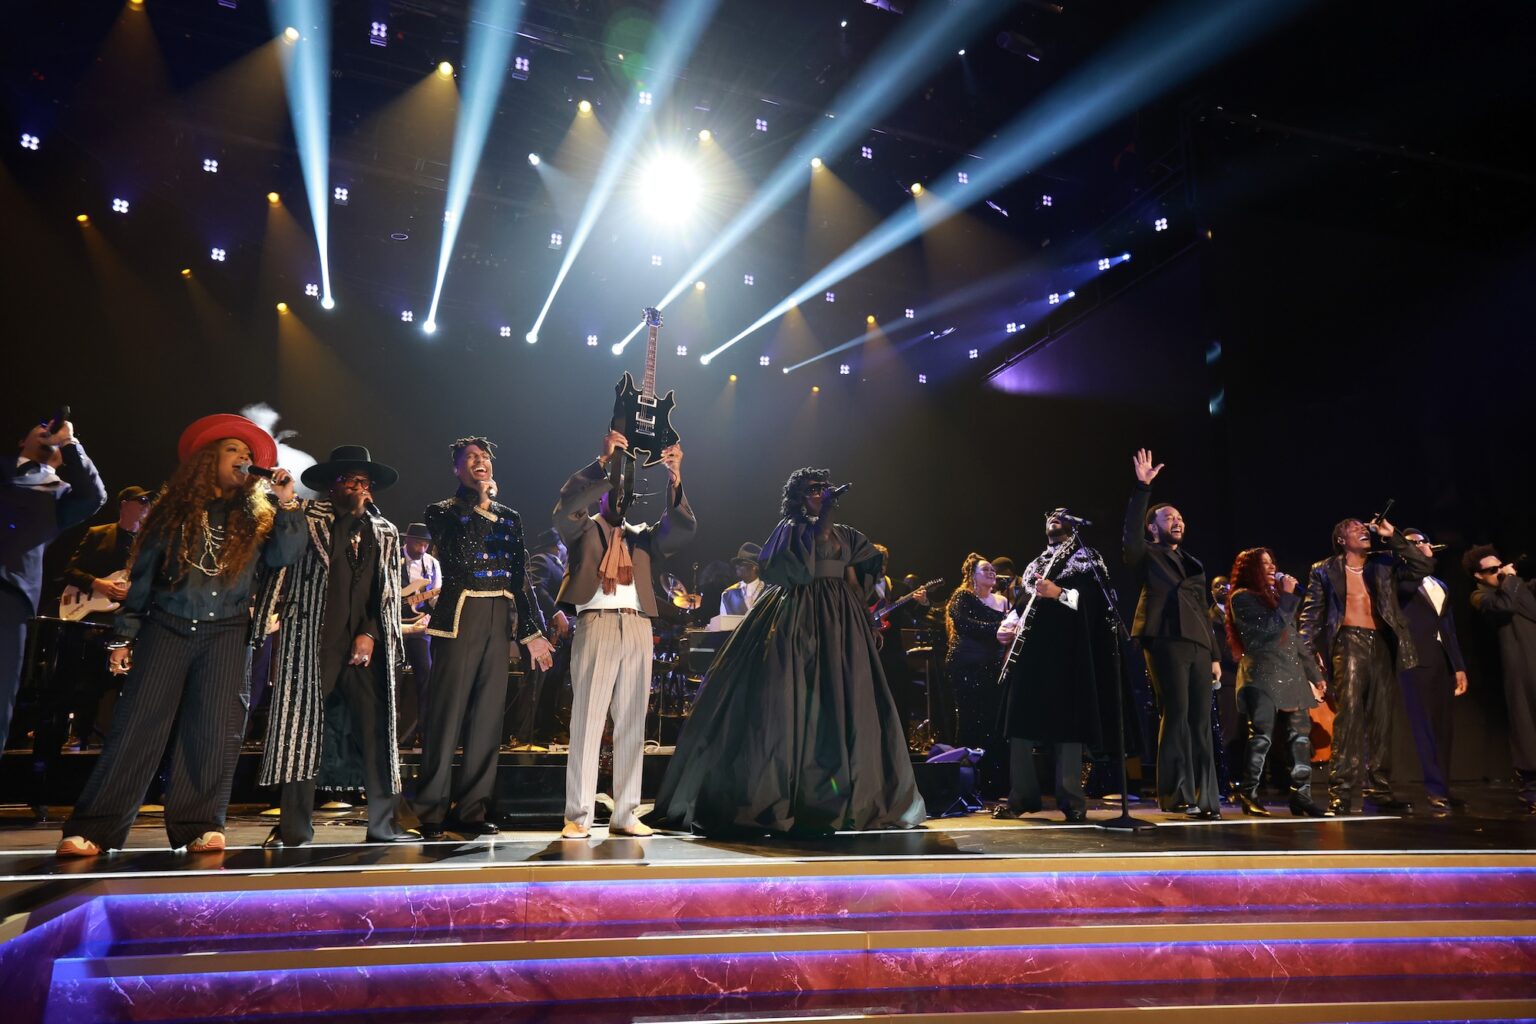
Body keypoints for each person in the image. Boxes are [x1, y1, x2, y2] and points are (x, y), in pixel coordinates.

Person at [57, 414, 305, 856]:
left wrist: (287, 502)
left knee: (213, 731)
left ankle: (199, 825)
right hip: (167, 626)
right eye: (233, 450)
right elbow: (143, 577)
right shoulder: (172, 511)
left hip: (227, 631)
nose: (243, 458)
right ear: (208, 460)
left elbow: (286, 555)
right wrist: (124, 637)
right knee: (137, 727)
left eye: (248, 454)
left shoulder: (259, 517)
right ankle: (96, 828)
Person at [647, 467, 925, 836]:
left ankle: (847, 797)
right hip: (800, 615)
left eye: (824, 487)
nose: (821, 493)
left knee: (845, 697)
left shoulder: (845, 534)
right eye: (813, 489)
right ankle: (790, 795)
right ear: (798, 497)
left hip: (840, 619)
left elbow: (855, 575)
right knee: (791, 697)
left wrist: (864, 618)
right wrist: (825, 513)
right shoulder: (792, 528)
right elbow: (799, 564)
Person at [255, 445, 419, 846]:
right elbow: (279, 560)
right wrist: (286, 503)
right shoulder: (306, 519)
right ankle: (294, 829)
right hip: (313, 641)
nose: (359, 487)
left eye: (364, 481)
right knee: (301, 731)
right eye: (349, 480)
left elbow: (385, 594)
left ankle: (383, 825)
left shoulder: (384, 531)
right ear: (332, 486)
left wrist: (371, 634)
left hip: (366, 649)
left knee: (377, 732)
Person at [412, 436, 553, 839]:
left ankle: (472, 810)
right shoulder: (442, 511)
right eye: (470, 457)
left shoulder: (510, 518)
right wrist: (481, 502)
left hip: (498, 618)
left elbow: (519, 577)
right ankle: (431, 809)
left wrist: (531, 632)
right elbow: (460, 554)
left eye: (484, 456)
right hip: (460, 616)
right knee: (447, 713)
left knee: (488, 718)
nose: (480, 461)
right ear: (457, 469)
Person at [553, 431, 693, 839]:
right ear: (600, 495)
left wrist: (675, 478)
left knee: (633, 720)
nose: (619, 498)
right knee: (588, 720)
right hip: (596, 622)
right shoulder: (583, 529)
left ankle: (626, 813)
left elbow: (681, 531)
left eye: (625, 493)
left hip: (637, 625)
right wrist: (602, 463)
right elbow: (566, 507)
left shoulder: (641, 536)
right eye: (612, 491)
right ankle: (578, 815)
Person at [1299, 515, 1428, 815]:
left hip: (1382, 642)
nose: (1363, 530)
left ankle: (1379, 789)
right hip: (1348, 642)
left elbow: (1423, 566)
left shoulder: (1383, 562)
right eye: (1354, 528)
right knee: (1349, 718)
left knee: (1381, 719)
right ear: (1341, 539)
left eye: (1364, 527)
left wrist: (1393, 536)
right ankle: (1341, 791)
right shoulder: (1324, 569)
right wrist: (1306, 660)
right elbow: (1311, 617)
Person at [1122, 448, 1223, 818]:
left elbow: (1204, 610)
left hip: (1198, 643)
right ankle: (1176, 793)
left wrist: (1215, 655)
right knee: (1176, 712)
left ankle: (1206, 797)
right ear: (1153, 527)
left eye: (1179, 517)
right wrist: (1142, 489)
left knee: (1201, 720)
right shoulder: (1146, 552)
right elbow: (1130, 538)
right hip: (1165, 638)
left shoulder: (1193, 563)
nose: (1177, 521)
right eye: (1168, 518)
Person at [2, 415, 107, 750]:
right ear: (22, 441)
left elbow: (94, 495)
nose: (48, 429)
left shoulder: (60, 494)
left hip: (10, 597)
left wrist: (69, 442)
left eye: (53, 429)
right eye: (41, 426)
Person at [994, 512, 1105, 823]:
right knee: (1019, 722)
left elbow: (1095, 604)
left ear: (1072, 524)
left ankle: (1071, 800)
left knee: (1067, 726)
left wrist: (1059, 593)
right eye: (1050, 516)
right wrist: (1007, 624)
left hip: (1067, 651)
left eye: (1061, 515)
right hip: (1030, 653)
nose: (1054, 517)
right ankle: (1021, 798)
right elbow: (1023, 604)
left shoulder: (1086, 558)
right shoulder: (1035, 564)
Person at [1226, 548, 1327, 817]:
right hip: (1261, 676)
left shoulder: (1278, 599)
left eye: (1273, 563)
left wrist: (1315, 675)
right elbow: (1269, 630)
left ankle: (1302, 796)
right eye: (1264, 564)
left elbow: (1294, 640)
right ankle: (1249, 793)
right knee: (1261, 737)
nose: (1272, 568)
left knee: (1300, 738)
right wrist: (1287, 597)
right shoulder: (1241, 598)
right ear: (1250, 570)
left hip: (1291, 675)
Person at [1397, 529, 1469, 813]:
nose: (1422, 545)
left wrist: (1458, 666)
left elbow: (1448, 627)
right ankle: (1434, 789)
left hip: (1441, 659)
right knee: (1424, 726)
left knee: (1443, 726)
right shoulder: (1401, 578)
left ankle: (1444, 787)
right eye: (1414, 543)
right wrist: (1416, 559)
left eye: (1423, 541)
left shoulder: (1439, 584)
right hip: (1416, 658)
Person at [1465, 546, 1536, 813]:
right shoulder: (1479, 596)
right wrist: (1511, 579)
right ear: (1479, 575)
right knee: (1525, 726)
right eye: (1493, 570)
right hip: (1517, 669)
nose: (1500, 572)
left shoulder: (1520, 587)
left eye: (1501, 567)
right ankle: (1531, 788)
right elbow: (1504, 607)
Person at [508, 527, 572, 751]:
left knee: (549, 685)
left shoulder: (559, 565)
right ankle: (522, 734)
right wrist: (556, 612)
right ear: (557, 546)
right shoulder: (542, 560)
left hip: (554, 635)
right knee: (535, 682)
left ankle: (542, 731)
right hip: (538, 631)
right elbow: (534, 588)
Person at [943, 553, 1010, 752]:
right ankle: (968, 763)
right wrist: (998, 628)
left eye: (993, 570)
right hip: (967, 665)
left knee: (992, 719)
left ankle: (991, 765)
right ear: (973, 575)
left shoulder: (1003, 601)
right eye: (985, 569)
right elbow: (964, 624)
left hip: (994, 666)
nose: (991, 572)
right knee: (970, 717)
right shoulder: (962, 596)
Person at [397, 522, 440, 747]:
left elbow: (434, 598)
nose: (422, 549)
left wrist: (436, 610)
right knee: (394, 677)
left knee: (426, 675)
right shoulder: (392, 558)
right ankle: (394, 731)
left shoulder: (431, 564)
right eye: (418, 544)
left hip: (419, 626)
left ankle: (423, 731)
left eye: (426, 545)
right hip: (395, 625)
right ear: (407, 540)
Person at [719, 543, 765, 616]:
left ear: (754, 567)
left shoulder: (769, 591)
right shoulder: (728, 594)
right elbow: (723, 621)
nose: (737, 566)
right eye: (736, 563)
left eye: (741, 563)